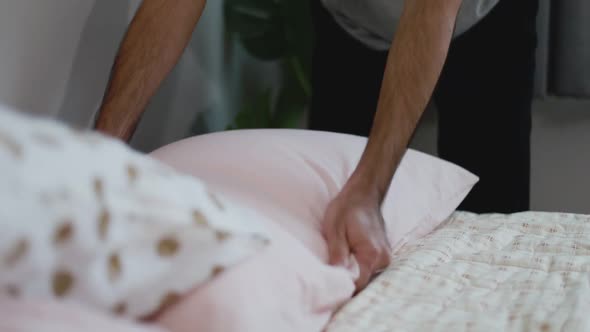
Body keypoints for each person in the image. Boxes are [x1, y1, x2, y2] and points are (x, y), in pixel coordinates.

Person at [94, 0, 537, 291]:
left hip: (480, 19)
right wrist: (99, 151)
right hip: (352, 22)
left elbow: (431, 9)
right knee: (334, 242)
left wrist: (369, 189)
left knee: (495, 219)